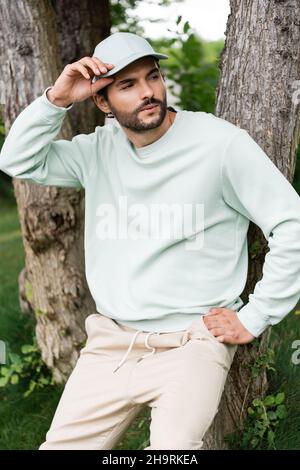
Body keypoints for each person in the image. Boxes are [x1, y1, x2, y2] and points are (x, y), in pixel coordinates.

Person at [0, 31, 300, 450]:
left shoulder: (220, 145)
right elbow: (18, 159)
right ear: (101, 101)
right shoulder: (96, 152)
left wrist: (256, 315)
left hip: (191, 343)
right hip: (110, 344)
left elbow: (292, 222)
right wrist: (58, 98)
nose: (148, 92)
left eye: (152, 76)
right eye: (128, 84)